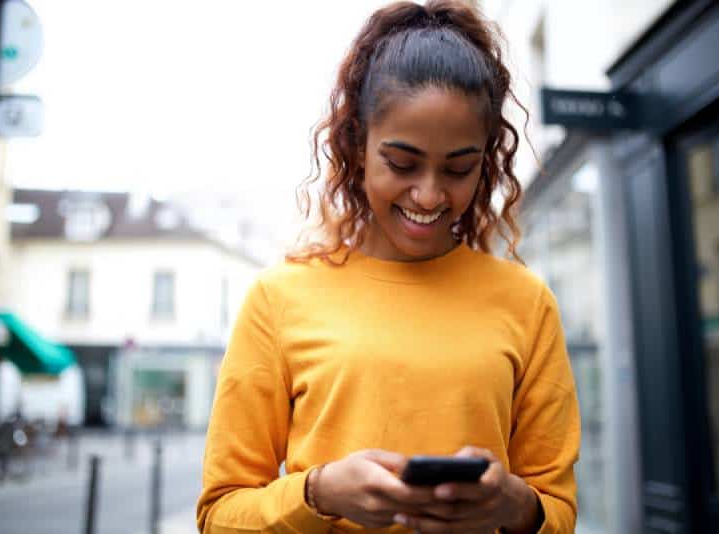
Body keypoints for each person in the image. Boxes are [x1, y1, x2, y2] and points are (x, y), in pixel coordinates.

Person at [197, 1, 580, 532]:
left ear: (486, 160)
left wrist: (511, 504)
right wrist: (319, 493)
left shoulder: (527, 302)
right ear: (357, 145)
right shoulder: (280, 298)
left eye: (459, 168)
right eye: (401, 163)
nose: (428, 194)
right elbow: (219, 515)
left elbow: (557, 511)